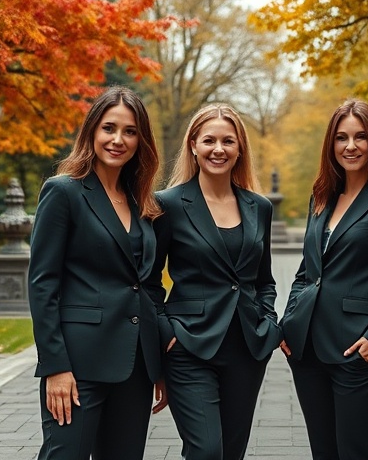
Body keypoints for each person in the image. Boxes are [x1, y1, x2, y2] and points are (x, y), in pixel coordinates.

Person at [28, 86, 167, 460]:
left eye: (130, 131)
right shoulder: (64, 192)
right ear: (92, 131)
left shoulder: (142, 202)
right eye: (109, 128)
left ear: (142, 140)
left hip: (135, 365)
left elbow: (147, 286)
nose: (118, 139)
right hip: (78, 365)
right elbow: (43, 285)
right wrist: (55, 366)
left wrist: (158, 361)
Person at [279, 99, 368, 460]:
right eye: (341, 138)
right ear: (331, 145)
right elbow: (306, 273)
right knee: (323, 453)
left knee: (354, 452)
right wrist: (289, 322)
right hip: (306, 350)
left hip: (358, 350)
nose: (350, 146)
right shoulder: (321, 197)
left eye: (360, 137)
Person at [149, 103, 282, 460]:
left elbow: (264, 278)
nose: (218, 149)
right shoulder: (168, 205)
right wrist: (167, 332)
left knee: (232, 452)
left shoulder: (259, 207)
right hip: (188, 346)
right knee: (206, 450)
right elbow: (148, 282)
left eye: (228, 141)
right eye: (209, 140)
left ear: (240, 149)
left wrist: (267, 321)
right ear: (193, 144)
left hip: (246, 348)